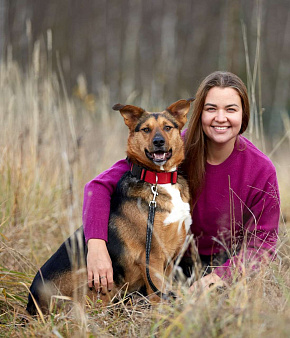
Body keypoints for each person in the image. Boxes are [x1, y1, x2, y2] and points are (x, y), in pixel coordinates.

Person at [83, 71, 280, 294]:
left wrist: (221, 276)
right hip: (167, 263)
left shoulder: (261, 170)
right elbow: (97, 186)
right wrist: (96, 244)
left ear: (244, 115)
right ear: (199, 114)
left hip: (224, 266)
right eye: (211, 108)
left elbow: (262, 244)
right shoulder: (172, 147)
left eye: (231, 109)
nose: (221, 117)